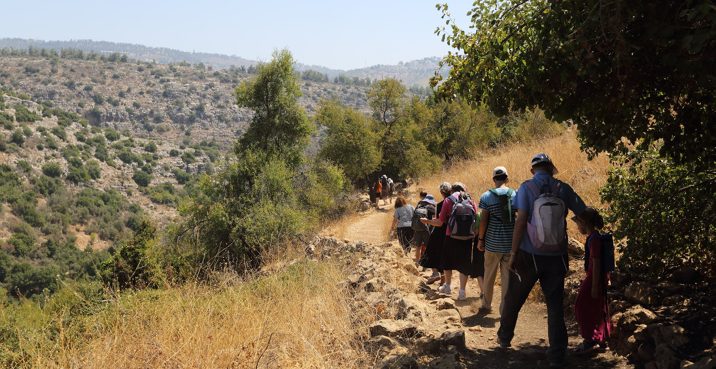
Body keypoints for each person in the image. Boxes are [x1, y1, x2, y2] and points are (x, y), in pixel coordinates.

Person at [497, 153, 587, 368]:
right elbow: (582, 212)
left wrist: (513, 252)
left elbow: (520, 222)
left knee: (514, 298)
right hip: (557, 257)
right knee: (554, 306)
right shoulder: (563, 188)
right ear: (551, 168)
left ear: (533, 170)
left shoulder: (526, 188)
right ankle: (557, 355)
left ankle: (504, 338)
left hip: (528, 255)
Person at [422, 182, 480, 301]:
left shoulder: (449, 200)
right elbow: (476, 219)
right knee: (464, 264)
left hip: (451, 235)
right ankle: (462, 292)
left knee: (447, 262)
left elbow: (440, 222)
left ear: (452, 190)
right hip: (467, 237)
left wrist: (427, 221)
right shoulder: (471, 201)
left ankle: (447, 286)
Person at [477, 166, 517, 315]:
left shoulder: (486, 196)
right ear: (507, 178)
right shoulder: (515, 194)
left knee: (488, 276)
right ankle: (504, 309)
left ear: (494, 179)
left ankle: (486, 305)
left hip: (492, 244)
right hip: (510, 244)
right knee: (507, 279)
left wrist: (481, 239)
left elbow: (483, 221)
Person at [573, 207, 611, 353]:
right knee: (597, 308)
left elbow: (596, 262)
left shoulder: (594, 239)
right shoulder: (595, 237)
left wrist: (594, 285)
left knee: (581, 307)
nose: (577, 227)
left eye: (578, 224)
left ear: (584, 223)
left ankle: (589, 340)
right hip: (598, 277)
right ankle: (600, 339)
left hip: (594, 278)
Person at [420, 182, 451, 285]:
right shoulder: (455, 202)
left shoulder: (441, 204)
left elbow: (439, 223)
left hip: (440, 233)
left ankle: (435, 274)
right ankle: (443, 281)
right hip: (451, 232)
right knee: (444, 256)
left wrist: (427, 221)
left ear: (441, 192)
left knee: (432, 252)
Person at [411, 192, 436, 264]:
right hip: (426, 229)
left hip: (417, 228)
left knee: (418, 246)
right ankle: (426, 263)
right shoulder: (431, 207)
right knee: (427, 246)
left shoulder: (419, 205)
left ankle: (417, 261)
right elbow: (435, 217)